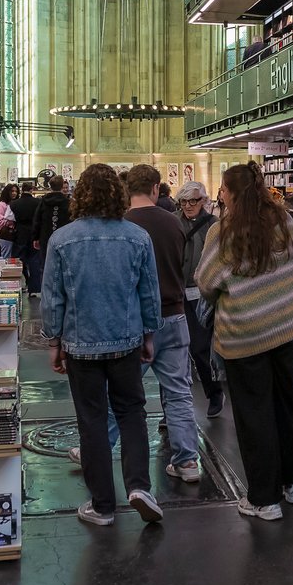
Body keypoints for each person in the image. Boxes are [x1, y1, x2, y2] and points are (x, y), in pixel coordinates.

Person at [197, 164, 293, 520]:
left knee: (253, 414)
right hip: (285, 329)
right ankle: (292, 484)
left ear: (230, 193)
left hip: (244, 335)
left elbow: (205, 281)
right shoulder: (290, 222)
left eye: (223, 190)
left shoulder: (223, 233)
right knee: (284, 407)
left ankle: (264, 499)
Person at [41, 163, 164, 527]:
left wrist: (54, 342)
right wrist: (149, 335)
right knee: (131, 413)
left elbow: (53, 298)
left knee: (92, 421)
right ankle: (140, 486)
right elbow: (149, 293)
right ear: (118, 194)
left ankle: (102, 506)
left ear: (80, 196)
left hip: (81, 345)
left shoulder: (61, 240)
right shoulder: (137, 237)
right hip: (126, 341)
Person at [116, 164, 202, 482]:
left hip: (135, 319)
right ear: (155, 189)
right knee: (179, 391)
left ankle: (95, 448)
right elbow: (182, 263)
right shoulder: (174, 222)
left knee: (124, 390)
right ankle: (187, 461)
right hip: (175, 313)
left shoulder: (121, 224)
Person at [177, 180, 225, 418]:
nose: (188, 206)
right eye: (184, 201)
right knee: (176, 351)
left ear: (204, 201)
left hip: (202, 294)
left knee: (199, 348)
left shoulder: (214, 225)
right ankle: (173, 408)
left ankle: (214, 392)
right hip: (176, 293)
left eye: (193, 201)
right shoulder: (173, 222)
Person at [33, 175, 71, 266]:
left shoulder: (43, 201)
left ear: (50, 186)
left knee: (46, 264)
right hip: (64, 236)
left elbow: (37, 219)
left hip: (45, 236)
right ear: (62, 186)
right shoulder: (68, 203)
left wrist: (35, 237)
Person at [13, 187, 40, 293]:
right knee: (34, 261)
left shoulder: (14, 204)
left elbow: (9, 218)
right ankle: (33, 288)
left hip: (20, 234)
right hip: (33, 234)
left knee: (19, 260)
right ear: (32, 190)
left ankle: (17, 285)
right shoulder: (38, 202)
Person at [0, 183, 19, 259]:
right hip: (6, 236)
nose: (14, 193)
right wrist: (11, 222)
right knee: (7, 257)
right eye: (12, 191)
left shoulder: (16, 204)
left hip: (16, 235)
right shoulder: (2, 205)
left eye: (16, 191)